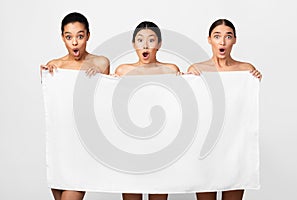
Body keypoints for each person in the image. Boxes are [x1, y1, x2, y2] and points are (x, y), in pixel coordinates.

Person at [188, 19, 262, 200]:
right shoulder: (197, 69)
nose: (222, 42)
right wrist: (190, 79)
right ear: (209, 40)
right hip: (206, 148)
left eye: (228, 36)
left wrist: (254, 80)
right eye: (217, 36)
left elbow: (244, 108)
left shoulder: (246, 70)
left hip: (235, 148)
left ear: (234, 40)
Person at [41, 12, 110, 200]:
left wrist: (99, 74)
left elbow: (104, 99)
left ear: (87, 35)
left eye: (80, 36)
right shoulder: (55, 65)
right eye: (69, 37)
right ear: (62, 37)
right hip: (60, 144)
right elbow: (54, 101)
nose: (75, 42)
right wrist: (46, 77)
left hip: (82, 144)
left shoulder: (100, 62)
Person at [115, 21, 180, 200]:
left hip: (162, 145)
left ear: (159, 44)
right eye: (140, 40)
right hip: (131, 145)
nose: (145, 45)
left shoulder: (170, 70)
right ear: (133, 44)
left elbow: (180, 103)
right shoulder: (122, 71)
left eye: (151, 40)